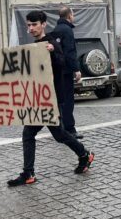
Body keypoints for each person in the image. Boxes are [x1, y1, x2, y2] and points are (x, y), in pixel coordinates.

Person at [7, 10, 94, 187]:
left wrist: (54, 52)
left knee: (58, 134)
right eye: (28, 25)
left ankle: (84, 154)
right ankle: (29, 172)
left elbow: (62, 64)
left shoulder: (52, 43)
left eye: (34, 24)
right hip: (38, 99)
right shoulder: (33, 47)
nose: (31, 28)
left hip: (50, 99)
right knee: (33, 133)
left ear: (43, 24)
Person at [51, 6, 82, 138]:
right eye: (73, 14)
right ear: (69, 16)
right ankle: (70, 129)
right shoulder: (67, 30)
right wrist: (76, 69)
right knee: (68, 100)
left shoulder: (55, 30)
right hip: (66, 71)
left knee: (60, 101)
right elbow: (70, 52)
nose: (73, 17)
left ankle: (61, 128)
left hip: (57, 70)